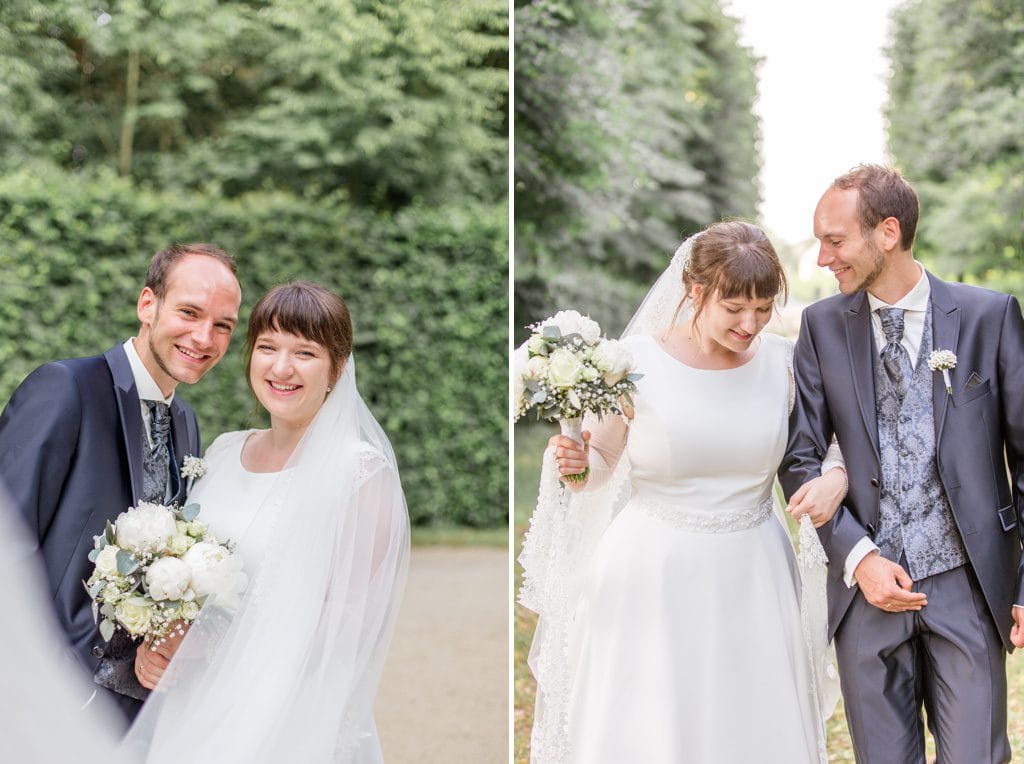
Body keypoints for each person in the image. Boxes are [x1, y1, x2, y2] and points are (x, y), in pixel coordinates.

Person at [519, 221, 849, 763]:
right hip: (652, 572)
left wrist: (835, 478)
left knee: (750, 722)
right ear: (695, 292)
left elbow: (837, 443)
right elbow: (600, 465)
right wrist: (578, 466)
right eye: (735, 307)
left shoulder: (784, 363)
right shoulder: (631, 363)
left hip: (754, 571)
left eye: (764, 308)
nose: (751, 323)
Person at [779, 164, 1024, 763]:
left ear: (887, 232)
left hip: (967, 586)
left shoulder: (989, 317)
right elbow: (799, 457)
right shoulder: (821, 327)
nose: (821, 259)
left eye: (834, 241)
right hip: (866, 594)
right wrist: (859, 558)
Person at [125, 282, 410, 763]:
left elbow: (349, 624)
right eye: (267, 347)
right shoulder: (222, 452)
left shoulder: (359, 473)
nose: (282, 368)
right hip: (193, 708)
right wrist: (160, 640)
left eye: (305, 352)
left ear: (336, 369)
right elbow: (184, 579)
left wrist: (205, 644)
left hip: (288, 716)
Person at [0, 243, 241, 724]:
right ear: (147, 305)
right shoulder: (66, 388)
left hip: (138, 708)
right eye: (189, 312)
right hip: (45, 694)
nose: (204, 337)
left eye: (223, 326)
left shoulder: (187, 422)